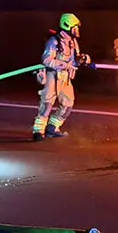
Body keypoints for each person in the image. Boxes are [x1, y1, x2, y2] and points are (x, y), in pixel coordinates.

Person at [32, 13, 91, 141]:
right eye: (75, 27)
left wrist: (82, 60)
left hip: (65, 77)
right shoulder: (54, 41)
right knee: (47, 104)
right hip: (52, 75)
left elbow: (74, 61)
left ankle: (52, 128)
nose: (77, 31)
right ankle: (38, 132)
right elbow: (47, 60)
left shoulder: (73, 42)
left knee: (68, 104)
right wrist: (63, 65)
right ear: (67, 26)